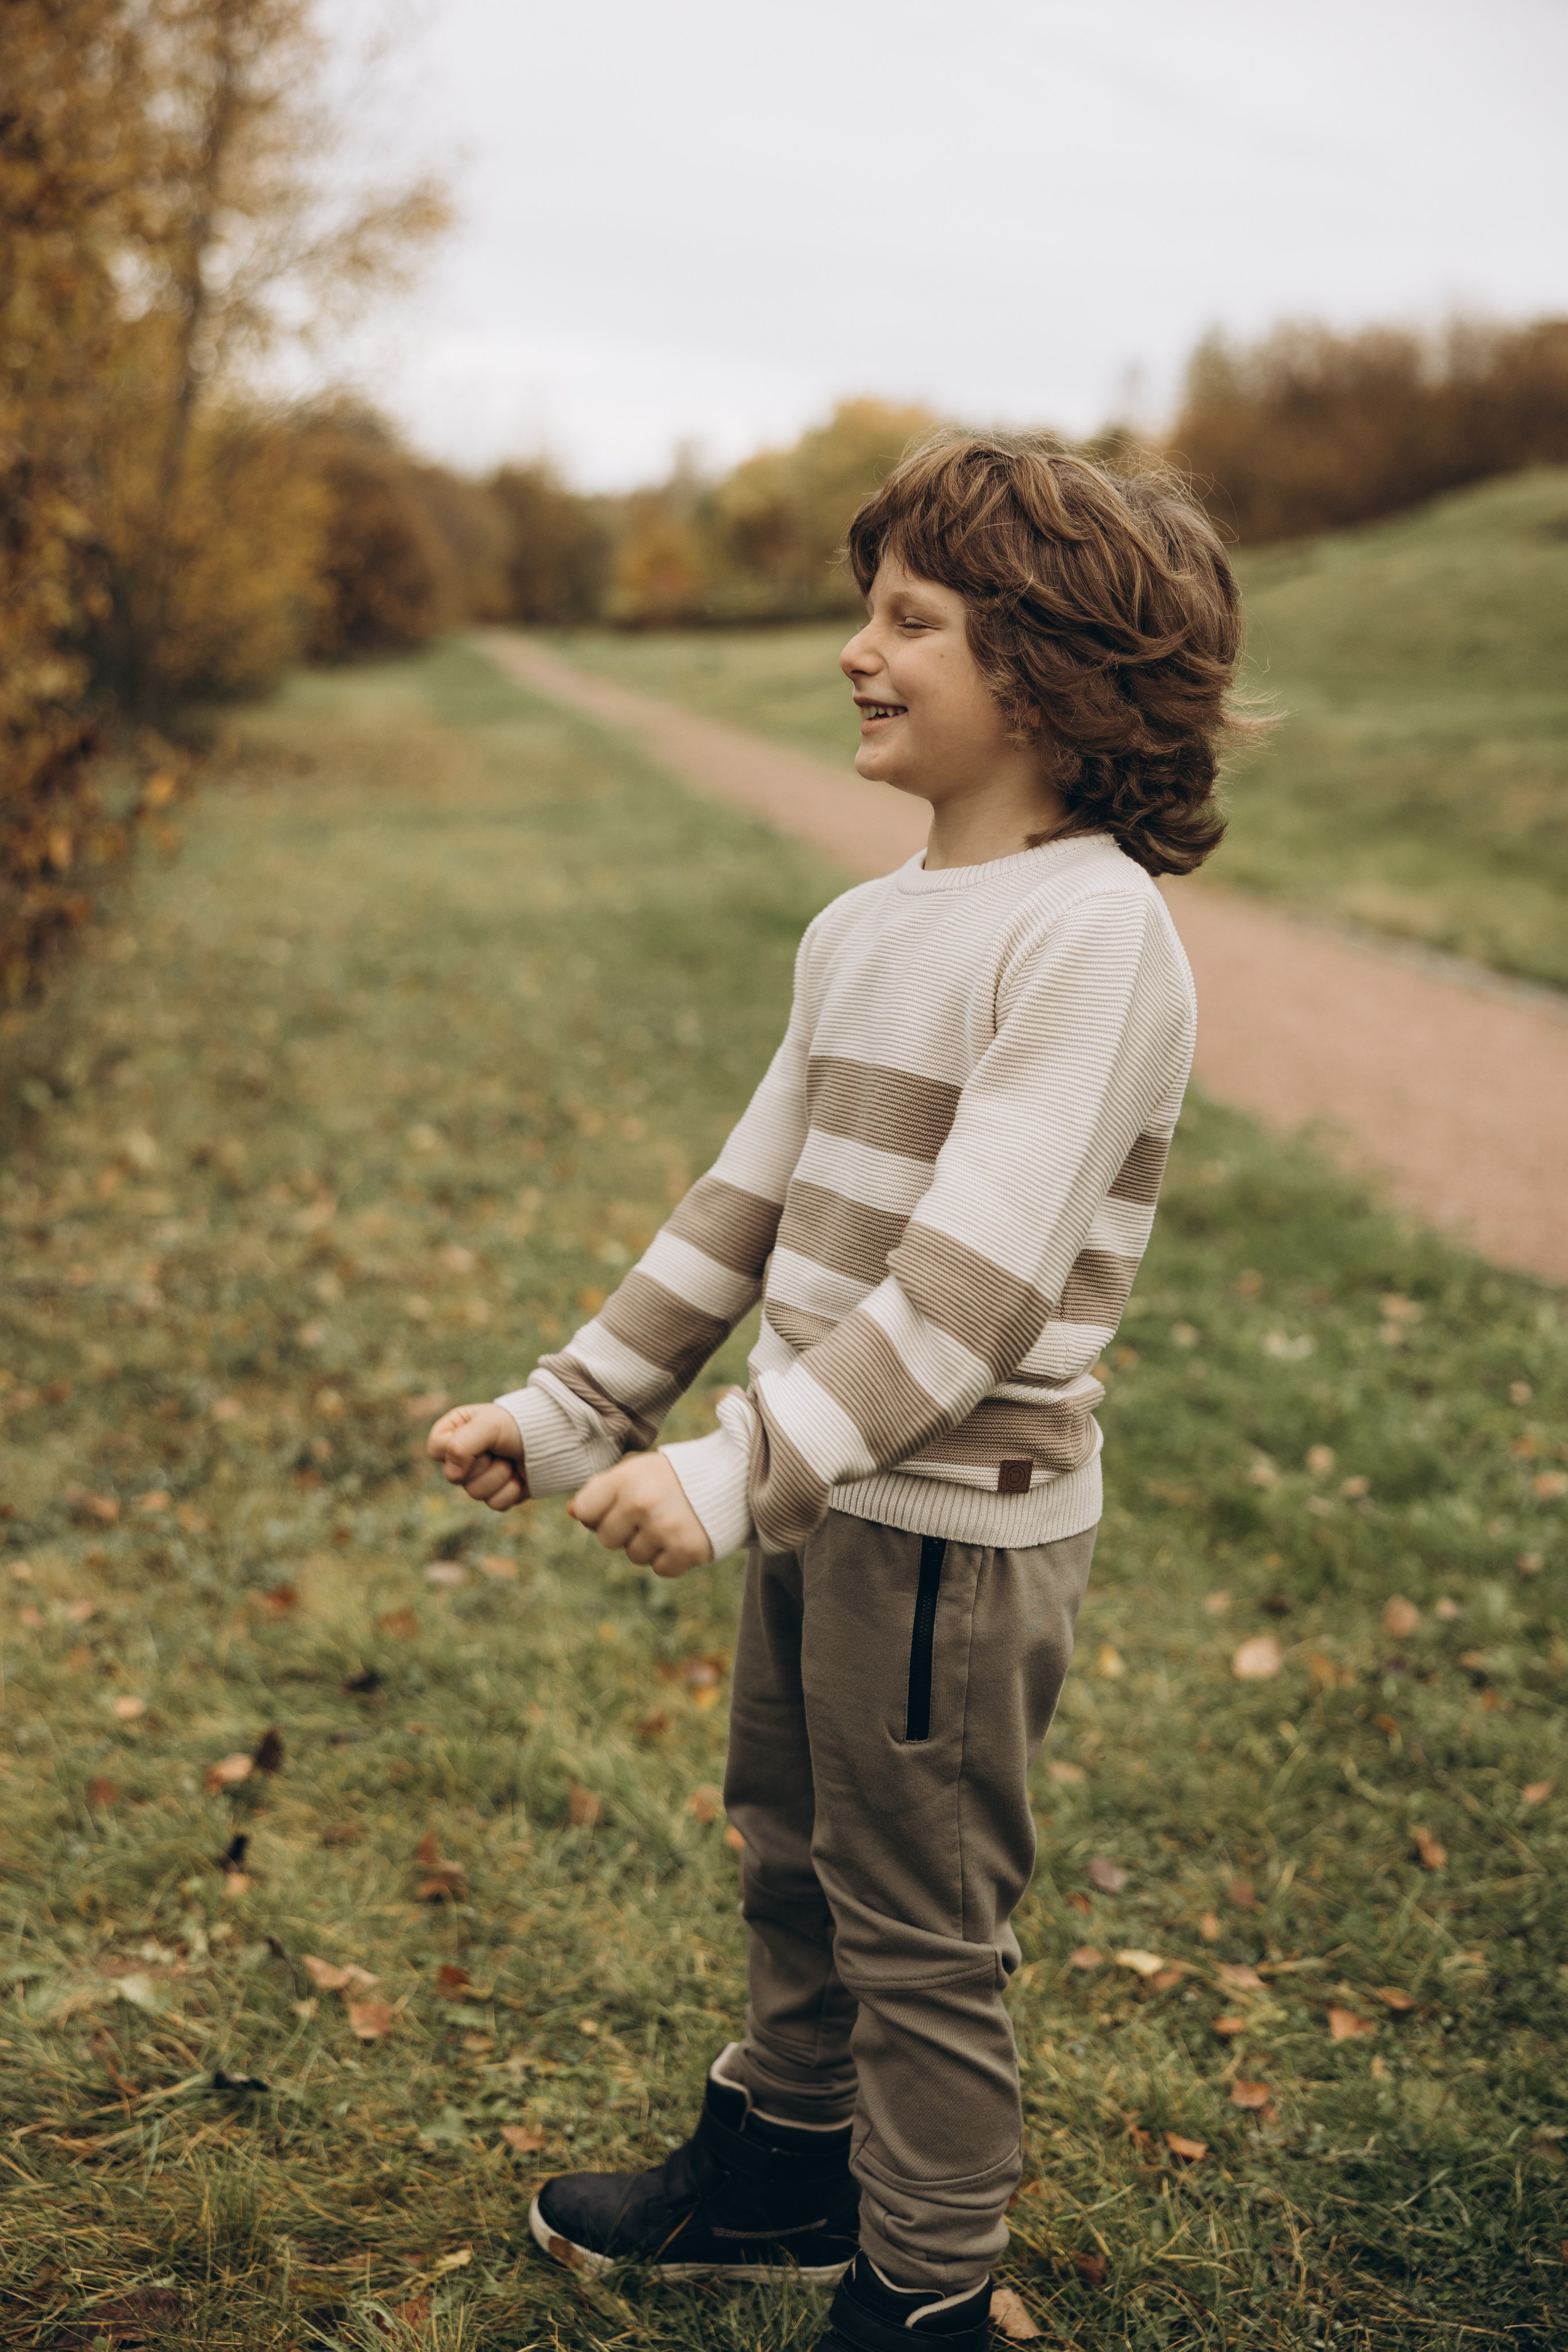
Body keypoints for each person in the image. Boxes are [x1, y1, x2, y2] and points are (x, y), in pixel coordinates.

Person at [427, 432, 1260, 2352]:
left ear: (1049, 670)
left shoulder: (1094, 937)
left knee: (922, 1934)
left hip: (951, 1543)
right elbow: (739, 1211)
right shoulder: (862, 928)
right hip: (821, 1508)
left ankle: (927, 2294)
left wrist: (741, 1469)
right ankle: (793, 2169)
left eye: (912, 619)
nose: (856, 650)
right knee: (792, 1861)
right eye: (861, 609)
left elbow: (966, 1299)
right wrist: (572, 1414)